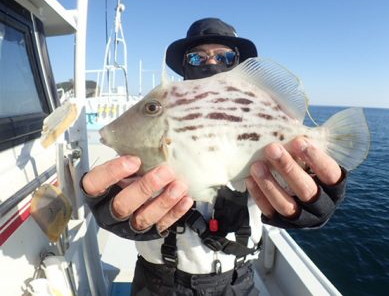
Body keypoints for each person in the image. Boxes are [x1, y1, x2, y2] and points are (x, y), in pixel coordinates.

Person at [81, 18, 346, 295]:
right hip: (158, 283)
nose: (211, 64)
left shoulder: (251, 107)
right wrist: (107, 205)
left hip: (238, 283)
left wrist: (311, 201)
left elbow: (287, 178)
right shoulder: (168, 114)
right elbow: (117, 181)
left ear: (237, 64)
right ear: (184, 66)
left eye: (225, 57)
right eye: (197, 57)